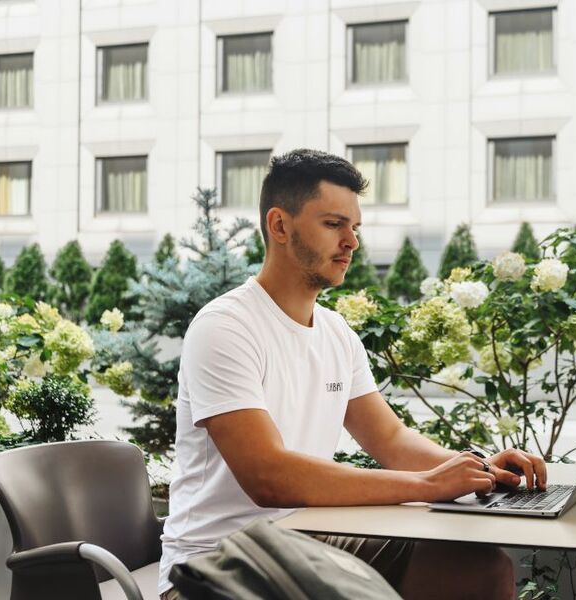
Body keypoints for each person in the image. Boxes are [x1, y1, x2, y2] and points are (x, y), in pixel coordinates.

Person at [159, 149, 548, 600]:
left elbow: (390, 440)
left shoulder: (335, 332)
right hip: (218, 564)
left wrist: (479, 470)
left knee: (478, 571)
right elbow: (268, 476)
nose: (352, 242)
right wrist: (426, 485)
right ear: (280, 225)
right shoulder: (225, 326)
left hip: (303, 544)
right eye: (333, 224)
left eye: (355, 227)